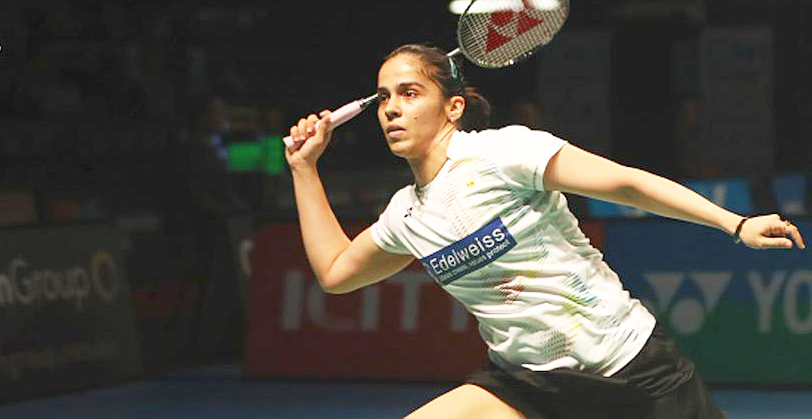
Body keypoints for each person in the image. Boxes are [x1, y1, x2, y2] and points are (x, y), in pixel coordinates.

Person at [284, 43, 805, 419]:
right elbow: (335, 272)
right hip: (528, 385)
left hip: (627, 368)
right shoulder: (406, 216)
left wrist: (734, 222)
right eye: (383, 97)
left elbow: (625, 183)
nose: (393, 108)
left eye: (410, 92)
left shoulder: (501, 153)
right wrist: (305, 170)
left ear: (453, 108)